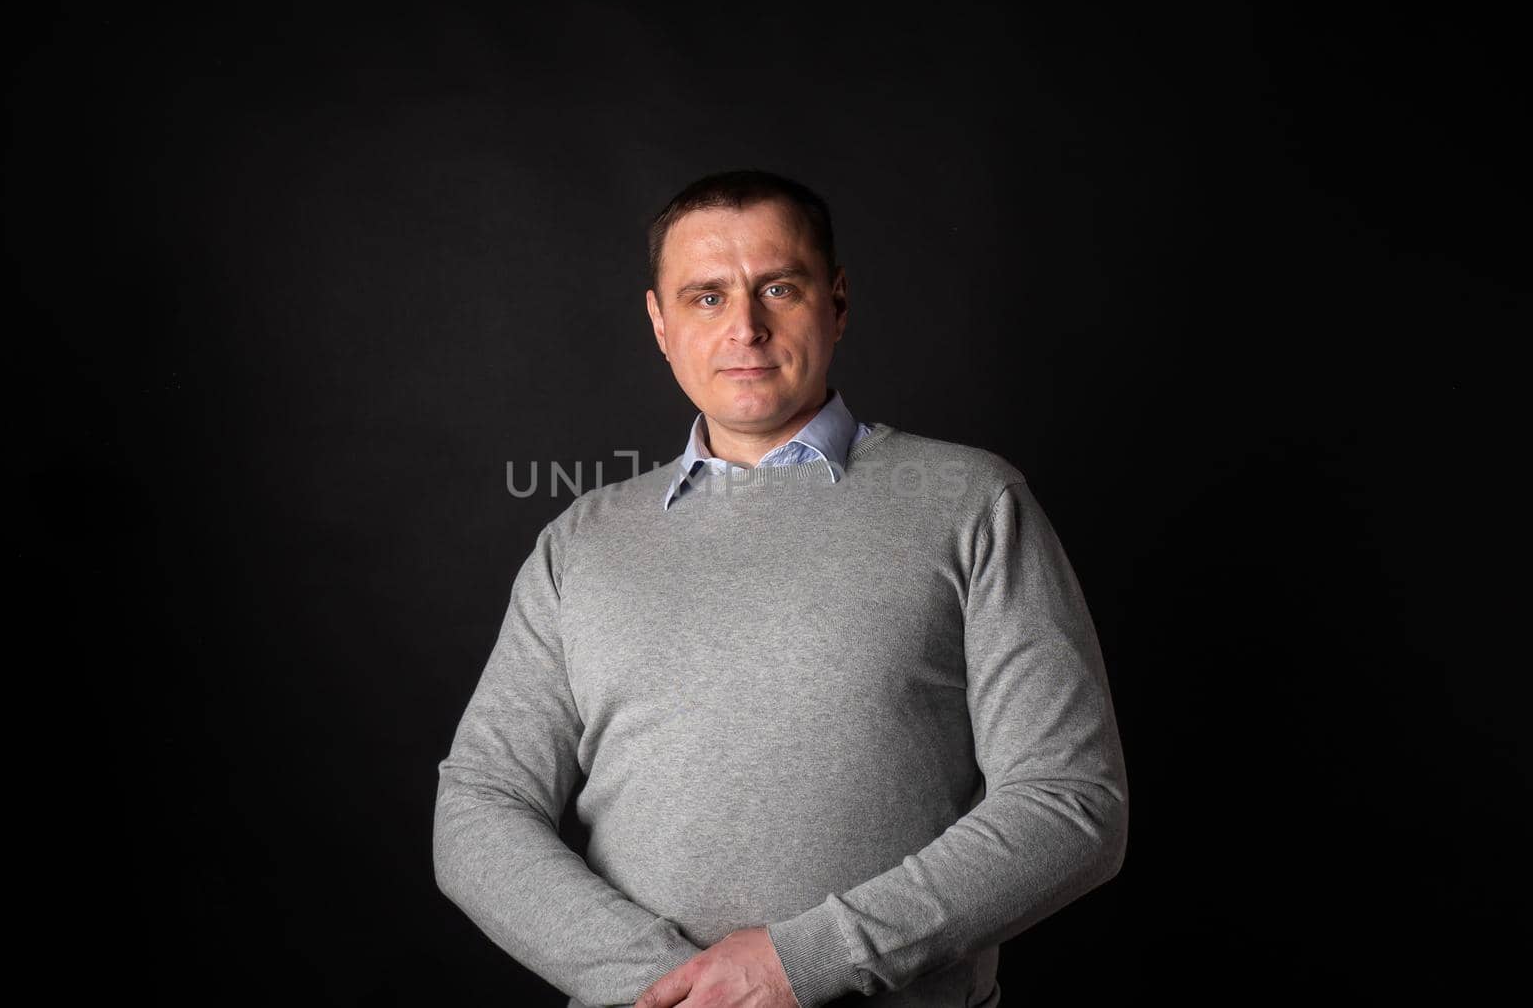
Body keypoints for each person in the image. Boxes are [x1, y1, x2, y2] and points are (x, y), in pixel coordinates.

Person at [432, 170, 1130, 1008]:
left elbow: (1071, 804)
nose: (746, 328)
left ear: (836, 302)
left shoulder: (973, 503)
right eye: (706, 297)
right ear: (660, 323)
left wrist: (802, 962)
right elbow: (479, 810)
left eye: (778, 287)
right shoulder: (581, 542)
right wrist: (672, 988)